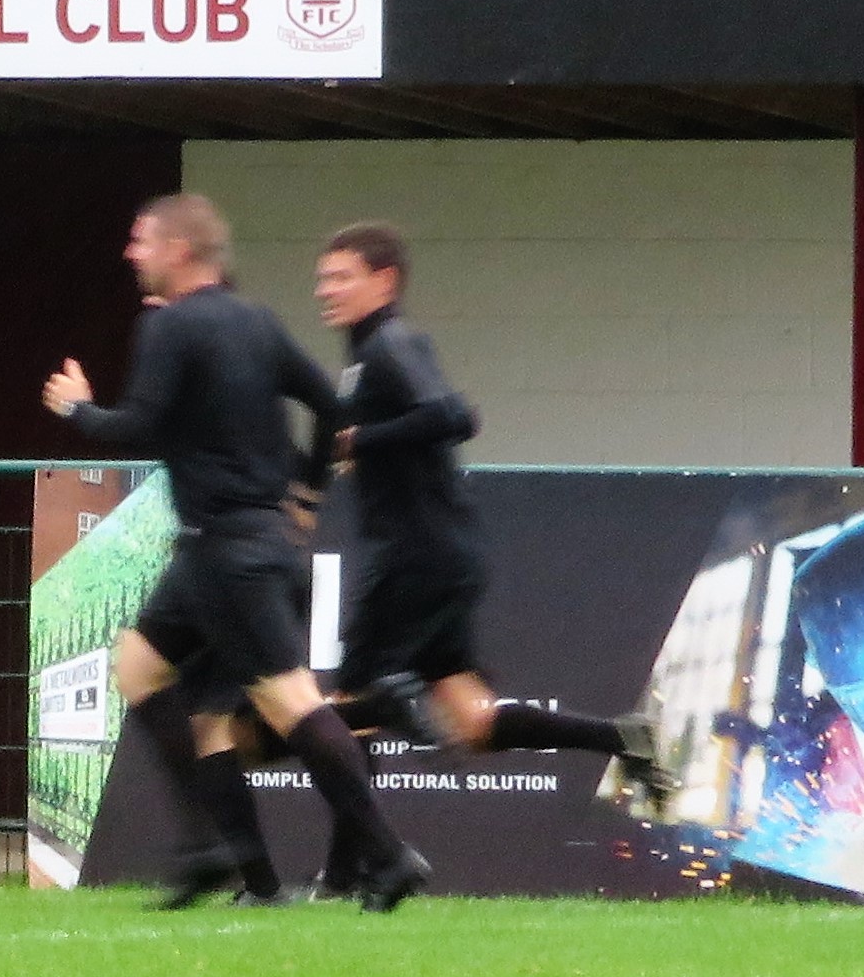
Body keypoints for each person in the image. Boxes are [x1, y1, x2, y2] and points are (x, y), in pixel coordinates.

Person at [44, 194, 433, 913]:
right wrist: (307, 495)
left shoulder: (167, 325)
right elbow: (331, 408)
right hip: (235, 546)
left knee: (289, 704)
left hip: (226, 553)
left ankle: (387, 853)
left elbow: (139, 426)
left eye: (141, 240)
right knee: (139, 669)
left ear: (180, 250)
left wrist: (77, 407)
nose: (131, 253)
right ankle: (210, 850)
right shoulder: (255, 320)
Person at [308, 223, 668, 898]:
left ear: (384, 280)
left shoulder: (391, 342)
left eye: (341, 276)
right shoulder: (365, 356)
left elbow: (454, 415)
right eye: (323, 278)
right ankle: (621, 737)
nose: (326, 289)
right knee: (473, 724)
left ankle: (345, 873)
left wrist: (361, 439)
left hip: (414, 555)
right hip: (442, 552)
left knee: (349, 708)